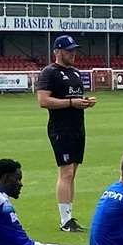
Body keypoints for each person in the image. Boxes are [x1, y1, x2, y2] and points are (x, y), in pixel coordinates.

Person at [36, 34, 96, 233]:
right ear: (58, 52)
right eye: (69, 50)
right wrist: (71, 103)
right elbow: (43, 101)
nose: (73, 54)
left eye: (74, 50)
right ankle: (64, 220)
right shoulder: (49, 72)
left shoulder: (76, 73)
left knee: (73, 173)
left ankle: (69, 216)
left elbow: (74, 97)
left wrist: (84, 101)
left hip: (78, 126)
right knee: (66, 171)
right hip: (60, 128)